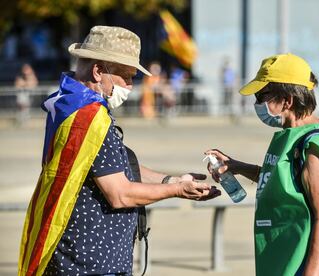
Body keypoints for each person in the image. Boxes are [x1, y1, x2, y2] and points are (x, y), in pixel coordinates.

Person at [18, 26, 220, 276]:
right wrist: (177, 190)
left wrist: (171, 179)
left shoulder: (69, 106)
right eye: (127, 77)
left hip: (76, 257)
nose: (131, 86)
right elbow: (120, 194)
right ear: (98, 71)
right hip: (90, 263)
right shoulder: (90, 118)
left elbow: (114, 165)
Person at [206, 53, 319, 275]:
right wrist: (236, 166)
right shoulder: (289, 135)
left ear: (287, 100)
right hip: (279, 261)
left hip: (300, 265)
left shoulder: (312, 144)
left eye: (261, 96)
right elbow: (282, 181)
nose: (257, 103)